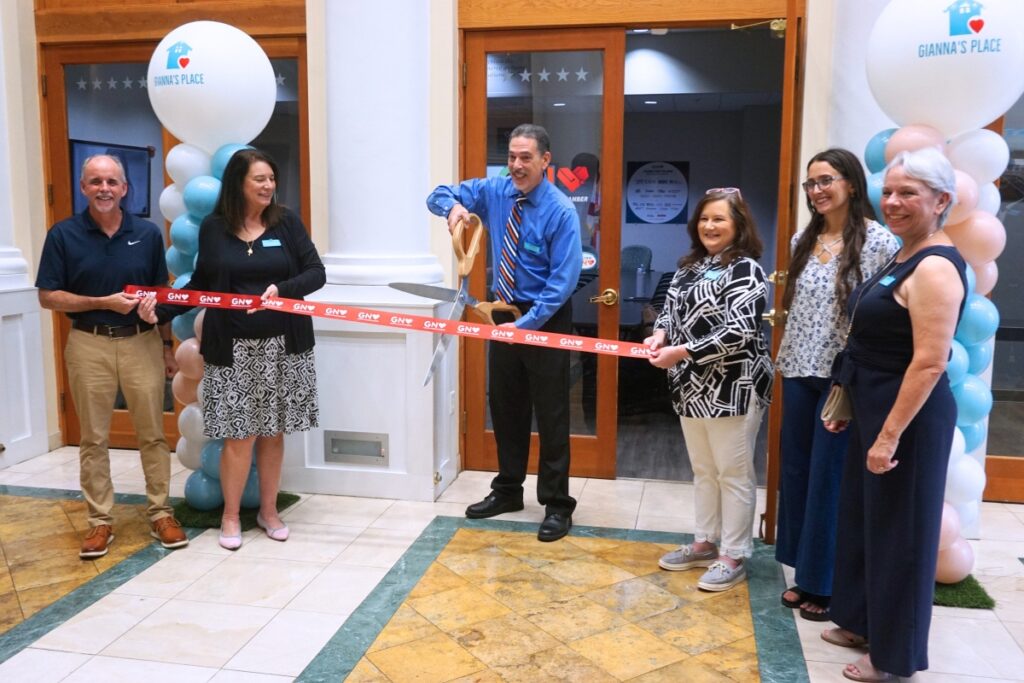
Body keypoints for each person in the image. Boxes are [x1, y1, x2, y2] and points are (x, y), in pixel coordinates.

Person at [821, 148, 966, 682]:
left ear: (942, 200)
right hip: (873, 405)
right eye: (889, 191)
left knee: (901, 536)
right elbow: (871, 338)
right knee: (866, 522)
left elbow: (928, 364)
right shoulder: (905, 252)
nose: (894, 201)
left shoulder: (935, 267)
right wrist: (847, 400)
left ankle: (894, 659)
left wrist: (887, 438)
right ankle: (860, 620)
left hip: (908, 419)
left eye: (909, 192)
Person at [140, 149, 325, 551]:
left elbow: (316, 272)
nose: (268, 186)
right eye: (259, 179)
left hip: (284, 348)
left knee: (273, 435)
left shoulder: (287, 222)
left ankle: (269, 511)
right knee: (238, 438)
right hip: (233, 350)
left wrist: (283, 291)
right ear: (238, 183)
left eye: (271, 178)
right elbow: (202, 284)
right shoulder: (214, 228)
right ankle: (229, 515)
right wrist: (163, 310)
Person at [426, 123, 582, 542]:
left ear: (546, 161)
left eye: (525, 157)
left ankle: (556, 505)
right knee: (507, 406)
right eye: (512, 156)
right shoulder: (496, 192)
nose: (516, 165)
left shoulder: (561, 211)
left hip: (543, 316)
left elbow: (562, 282)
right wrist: (453, 208)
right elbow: (437, 193)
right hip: (502, 312)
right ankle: (508, 490)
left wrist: (524, 326)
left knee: (551, 414)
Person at [36, 154, 189, 558]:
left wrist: (167, 343)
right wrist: (99, 301)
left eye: (112, 182)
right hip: (89, 343)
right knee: (93, 438)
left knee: (153, 434)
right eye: (95, 181)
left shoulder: (149, 234)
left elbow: (159, 292)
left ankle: (160, 513)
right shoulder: (63, 235)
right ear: (83, 187)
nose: (104, 188)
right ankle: (99, 522)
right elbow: (48, 296)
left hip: (141, 343)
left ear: (125, 188)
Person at [774, 149, 899, 621]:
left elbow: (881, 313)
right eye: (810, 184)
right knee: (799, 472)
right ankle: (803, 571)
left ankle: (825, 584)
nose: (817, 191)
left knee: (830, 478)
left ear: (851, 183)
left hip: (841, 378)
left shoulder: (878, 242)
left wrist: (853, 374)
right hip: (798, 369)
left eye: (825, 180)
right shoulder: (801, 239)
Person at [646, 188, 773, 591]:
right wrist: (659, 335)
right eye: (704, 219)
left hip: (733, 386)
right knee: (704, 470)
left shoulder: (747, 270)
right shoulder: (689, 267)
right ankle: (703, 542)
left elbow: (738, 331)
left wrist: (680, 350)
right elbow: (668, 309)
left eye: (719, 219)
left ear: (738, 224)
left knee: (733, 473)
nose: (709, 226)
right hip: (690, 385)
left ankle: (733, 554)